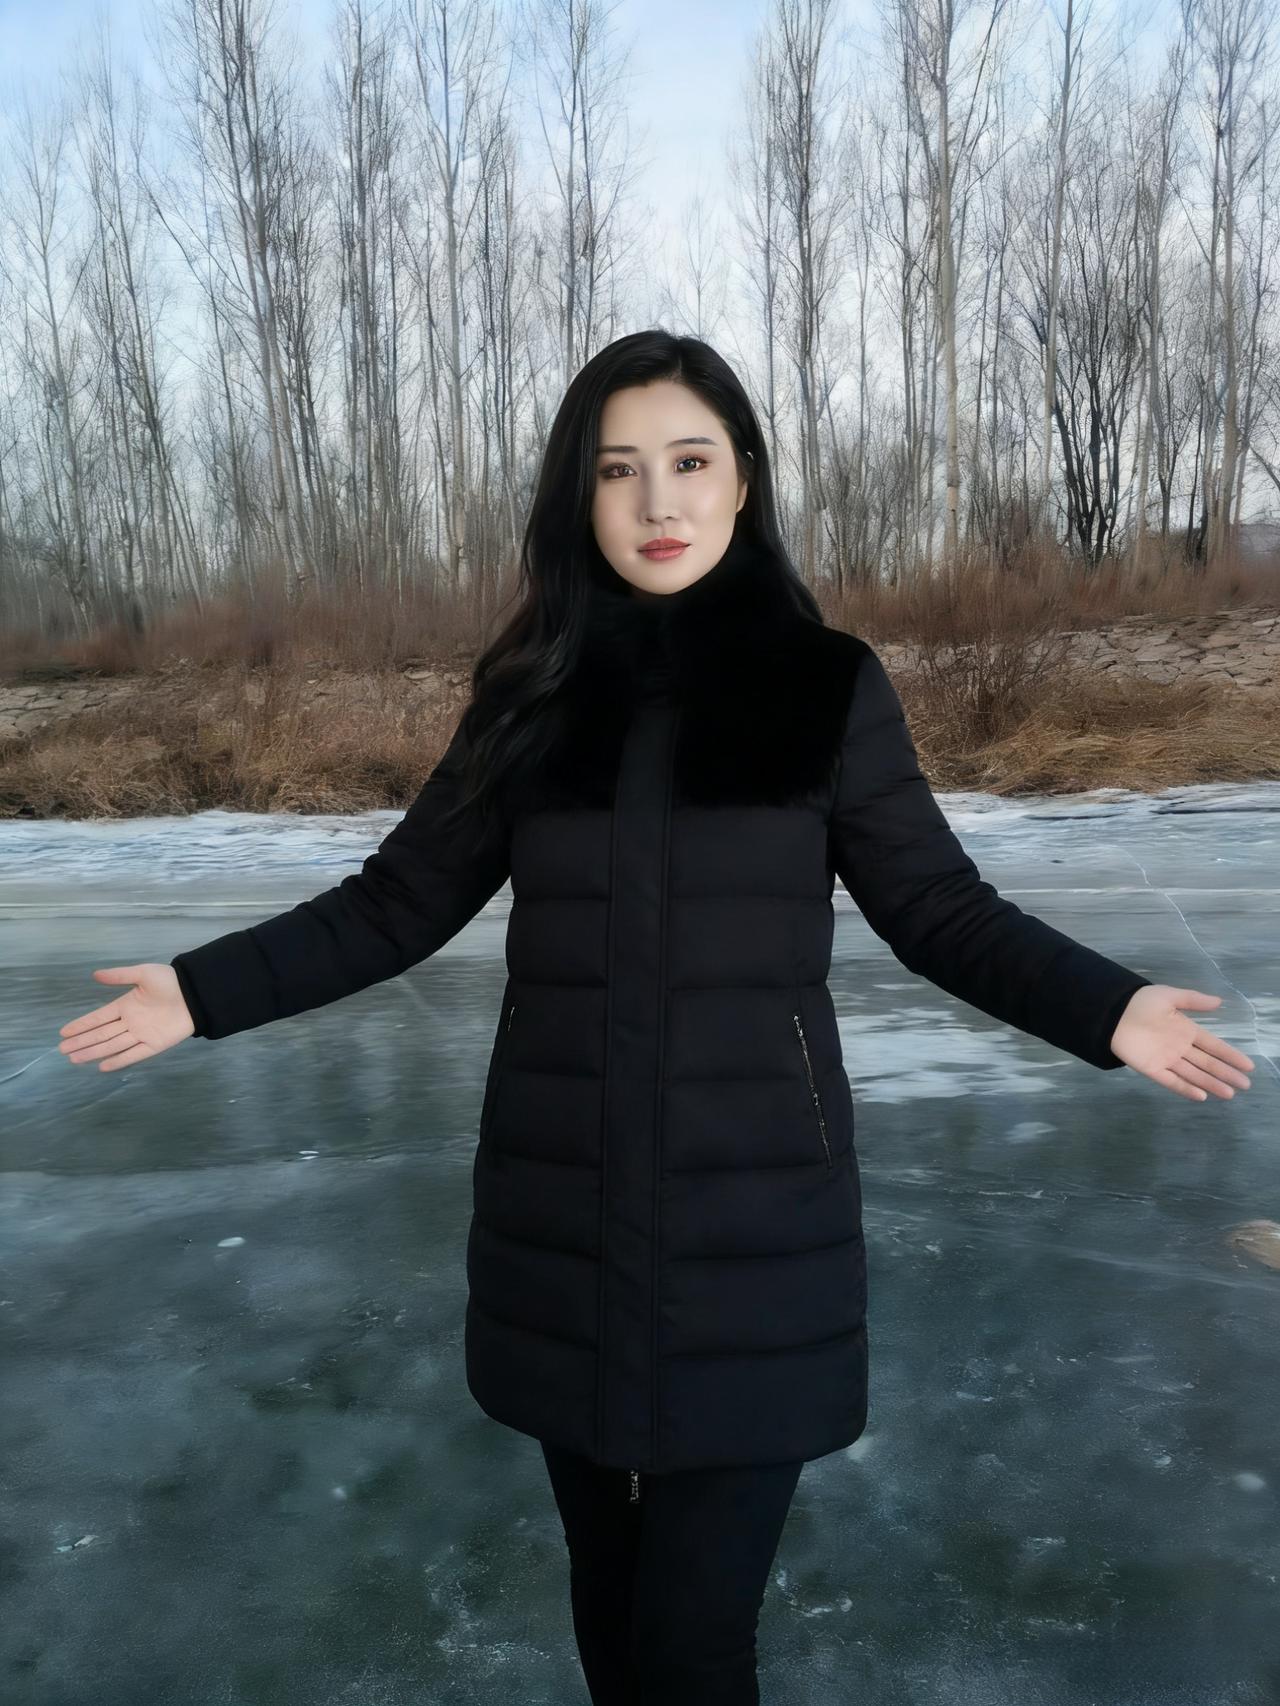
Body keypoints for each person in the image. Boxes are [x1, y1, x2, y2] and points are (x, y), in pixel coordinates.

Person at [57, 330, 1254, 1704]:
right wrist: (200, 988)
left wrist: (1109, 1006)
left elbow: (940, 909)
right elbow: (396, 902)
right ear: (581, 496)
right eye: (618, 470)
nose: (658, 502)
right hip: (562, 1225)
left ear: (743, 478)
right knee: (615, 1616)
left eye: (689, 462)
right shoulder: (531, 693)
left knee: (692, 1645)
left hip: (758, 1233)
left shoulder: (824, 686)